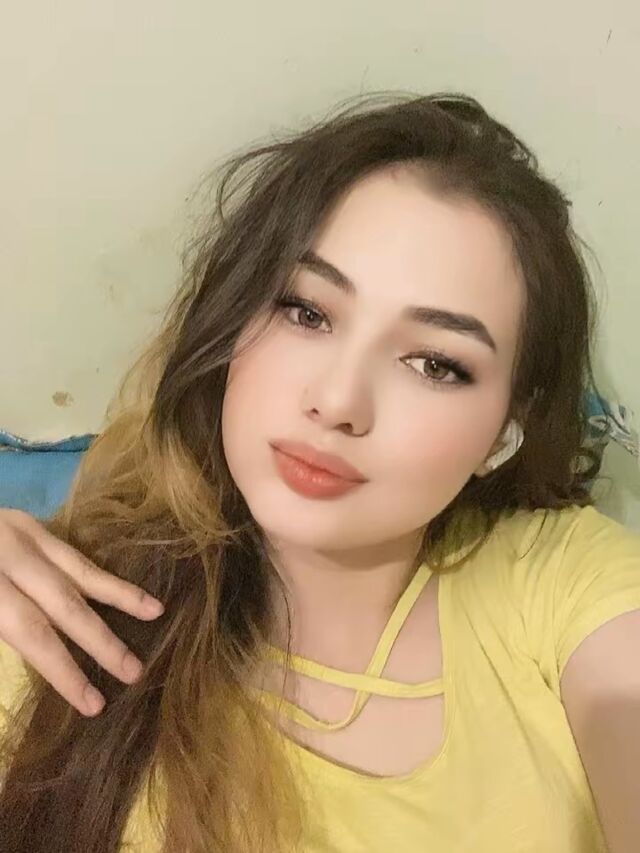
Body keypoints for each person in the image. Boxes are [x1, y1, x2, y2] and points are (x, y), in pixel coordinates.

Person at [0, 91, 639, 853]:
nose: (337, 402)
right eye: (307, 312)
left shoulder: (564, 586)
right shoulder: (52, 621)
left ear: (505, 432)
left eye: (435, 363)